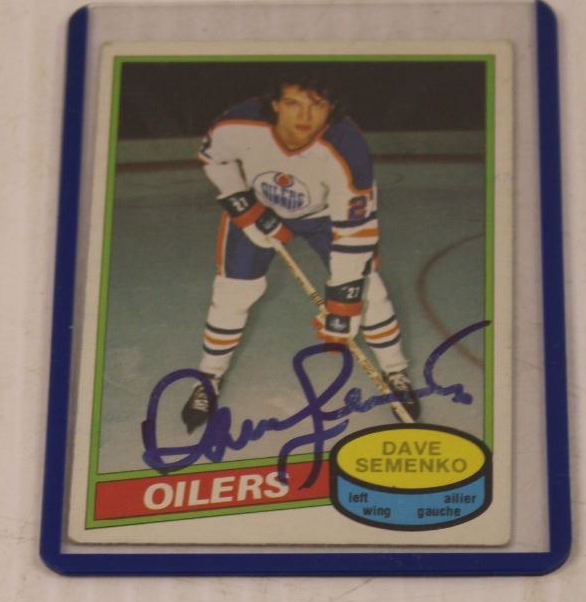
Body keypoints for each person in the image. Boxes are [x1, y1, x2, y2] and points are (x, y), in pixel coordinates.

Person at [180, 73, 420, 431]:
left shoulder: (347, 146)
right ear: (275, 104)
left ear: (331, 108)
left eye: (317, 105)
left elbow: (355, 229)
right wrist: (244, 206)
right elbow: (214, 158)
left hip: (325, 216)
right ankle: (209, 377)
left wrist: (344, 303)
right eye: (293, 103)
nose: (304, 116)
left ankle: (395, 370)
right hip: (259, 206)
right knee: (233, 294)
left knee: (370, 291)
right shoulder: (239, 124)